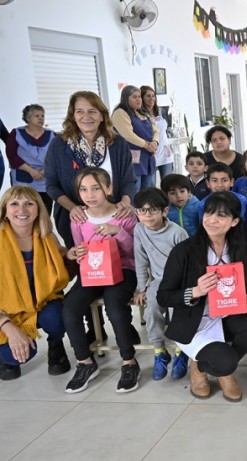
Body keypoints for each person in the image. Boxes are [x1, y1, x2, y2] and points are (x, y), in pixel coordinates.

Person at [157, 192, 247, 401]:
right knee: (225, 362)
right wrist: (195, 291)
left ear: (234, 221)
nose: (212, 220)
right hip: (195, 322)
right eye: (209, 213)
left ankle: (210, 365)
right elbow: (164, 297)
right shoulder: (184, 251)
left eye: (221, 216)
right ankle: (213, 368)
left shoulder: (238, 247)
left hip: (225, 315)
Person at [63, 167, 140, 393]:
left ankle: (129, 362)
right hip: (93, 272)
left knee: (114, 305)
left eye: (96, 188)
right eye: (84, 190)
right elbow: (79, 249)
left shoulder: (124, 214)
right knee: (70, 308)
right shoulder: (78, 219)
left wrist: (118, 232)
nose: (90, 195)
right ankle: (85, 362)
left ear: (108, 188)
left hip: (124, 270)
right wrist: (76, 254)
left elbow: (135, 252)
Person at [45, 91, 136, 249]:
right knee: (85, 266)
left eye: (92, 111)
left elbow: (129, 179)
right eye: (80, 111)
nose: (86, 116)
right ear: (73, 116)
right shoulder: (58, 145)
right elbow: (51, 185)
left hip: (116, 217)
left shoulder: (118, 143)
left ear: (102, 116)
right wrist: (72, 208)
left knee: (123, 263)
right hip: (76, 221)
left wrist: (125, 202)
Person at [0, 186, 71, 381]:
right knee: (13, 358)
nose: (21, 210)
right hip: (6, 313)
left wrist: (70, 256)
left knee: (59, 315)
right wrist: (8, 328)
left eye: (29, 204)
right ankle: (9, 347)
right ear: (5, 209)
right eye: (14, 204)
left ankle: (56, 345)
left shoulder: (47, 236)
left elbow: (62, 266)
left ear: (38, 209)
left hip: (42, 304)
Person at [132, 188, 189, 381]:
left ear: (164, 211)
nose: (147, 215)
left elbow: (188, 264)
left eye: (152, 210)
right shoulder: (139, 230)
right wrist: (142, 288)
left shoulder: (177, 233)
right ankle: (159, 352)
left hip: (180, 282)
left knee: (176, 311)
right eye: (141, 210)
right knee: (152, 310)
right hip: (158, 281)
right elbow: (140, 260)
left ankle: (181, 352)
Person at [6, 103, 56, 212]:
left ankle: (43, 229)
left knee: (45, 210)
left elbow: (56, 156)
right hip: (23, 177)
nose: (41, 118)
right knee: (25, 210)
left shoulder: (52, 134)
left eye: (42, 116)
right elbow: (12, 155)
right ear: (28, 118)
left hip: (45, 177)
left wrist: (44, 171)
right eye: (37, 116)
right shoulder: (16, 133)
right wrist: (31, 171)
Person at [111, 85, 159, 192]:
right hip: (132, 158)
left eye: (139, 97)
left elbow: (155, 130)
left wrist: (155, 142)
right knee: (135, 190)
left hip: (148, 157)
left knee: (149, 190)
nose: (138, 100)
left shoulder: (142, 112)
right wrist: (147, 145)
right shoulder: (120, 113)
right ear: (126, 98)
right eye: (134, 97)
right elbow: (127, 134)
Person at [140, 86, 173, 181]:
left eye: (153, 96)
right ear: (142, 98)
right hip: (150, 152)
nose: (151, 98)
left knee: (168, 182)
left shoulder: (161, 111)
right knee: (150, 183)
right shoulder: (139, 114)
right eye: (148, 96)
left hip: (164, 151)